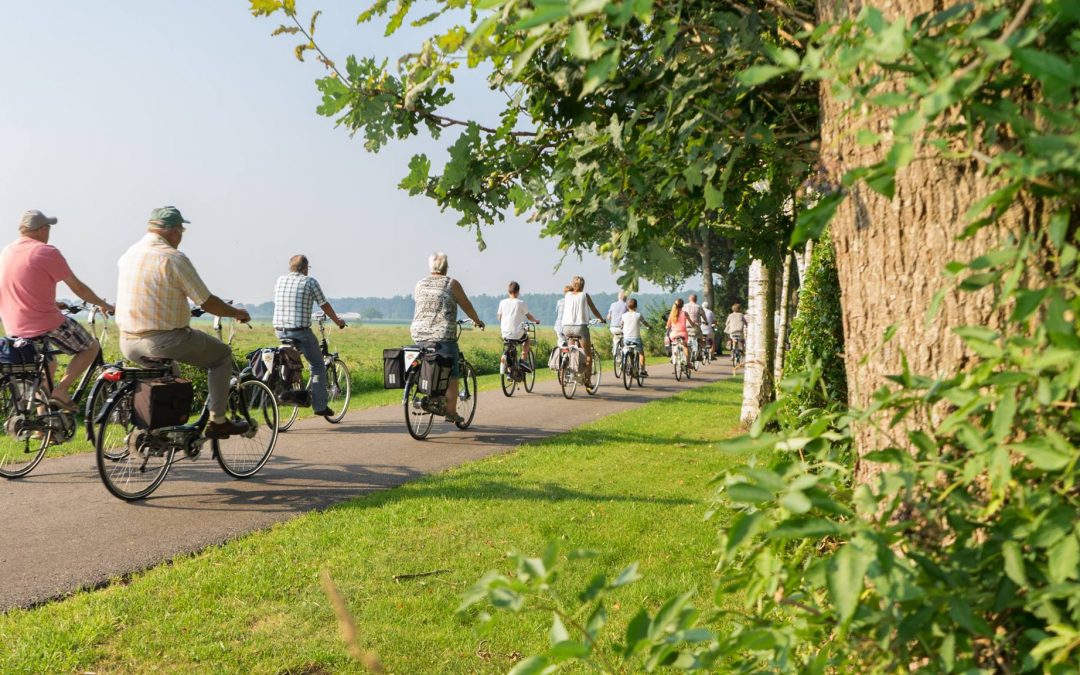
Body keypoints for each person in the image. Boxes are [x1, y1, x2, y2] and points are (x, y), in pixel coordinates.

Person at [115, 206, 251, 438]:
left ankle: (159, 435)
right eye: (181, 232)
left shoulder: (129, 254)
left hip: (128, 341)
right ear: (175, 231)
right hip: (164, 340)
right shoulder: (173, 258)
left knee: (171, 378)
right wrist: (235, 312)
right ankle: (217, 420)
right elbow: (206, 301)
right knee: (221, 356)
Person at [0, 210, 114, 412]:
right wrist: (103, 304)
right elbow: (78, 288)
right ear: (42, 229)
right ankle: (61, 391)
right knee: (90, 347)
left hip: (14, 326)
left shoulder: (7, 251)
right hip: (43, 323)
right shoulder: (46, 251)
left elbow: (24, 287)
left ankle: (40, 424)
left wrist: (55, 302)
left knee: (48, 365)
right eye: (48, 227)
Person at [410, 252, 485, 424]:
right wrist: (477, 321)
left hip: (418, 332)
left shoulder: (420, 284)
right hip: (442, 334)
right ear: (446, 268)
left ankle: (429, 394)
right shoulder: (451, 283)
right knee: (452, 370)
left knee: (428, 360)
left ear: (430, 267)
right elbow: (467, 306)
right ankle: (451, 412)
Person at [273, 255, 347, 418]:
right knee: (317, 365)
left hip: (279, 330)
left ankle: (291, 387)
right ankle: (320, 406)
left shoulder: (280, 280)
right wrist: (338, 321)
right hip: (300, 331)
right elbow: (324, 304)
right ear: (305, 268)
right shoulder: (310, 282)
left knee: (292, 359)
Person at [561, 276, 605, 387]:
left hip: (566, 328)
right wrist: (601, 319)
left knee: (571, 350)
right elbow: (594, 309)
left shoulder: (567, 295)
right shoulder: (585, 295)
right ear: (583, 286)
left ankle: (569, 367)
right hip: (580, 327)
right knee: (588, 354)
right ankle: (588, 381)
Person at [497, 281, 538, 366]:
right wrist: (535, 320)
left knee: (510, 346)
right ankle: (523, 359)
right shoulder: (520, 303)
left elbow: (499, 317)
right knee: (527, 339)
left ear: (508, 291)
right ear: (518, 291)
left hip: (505, 333)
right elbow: (528, 316)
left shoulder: (502, 302)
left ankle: (509, 369)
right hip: (517, 334)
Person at [620, 298, 650, 377]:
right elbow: (644, 323)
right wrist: (649, 326)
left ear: (627, 306)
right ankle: (642, 370)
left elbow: (621, 324)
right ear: (636, 306)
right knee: (641, 353)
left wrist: (622, 327)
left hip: (626, 338)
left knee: (625, 349)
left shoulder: (623, 316)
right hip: (636, 338)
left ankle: (624, 364)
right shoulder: (638, 315)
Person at [684, 293, 707, 368]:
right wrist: (706, 321)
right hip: (695, 328)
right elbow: (704, 316)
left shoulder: (684, 306)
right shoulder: (698, 307)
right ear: (696, 299)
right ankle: (699, 354)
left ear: (689, 299)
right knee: (701, 339)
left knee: (685, 342)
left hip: (686, 327)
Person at [666, 298, 691, 366]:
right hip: (683, 333)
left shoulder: (672, 314)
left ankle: (673, 358)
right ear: (682, 305)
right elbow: (691, 322)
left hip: (674, 334)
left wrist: (667, 327)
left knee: (673, 344)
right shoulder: (685, 313)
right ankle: (688, 363)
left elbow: (668, 325)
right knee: (685, 346)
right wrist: (694, 325)